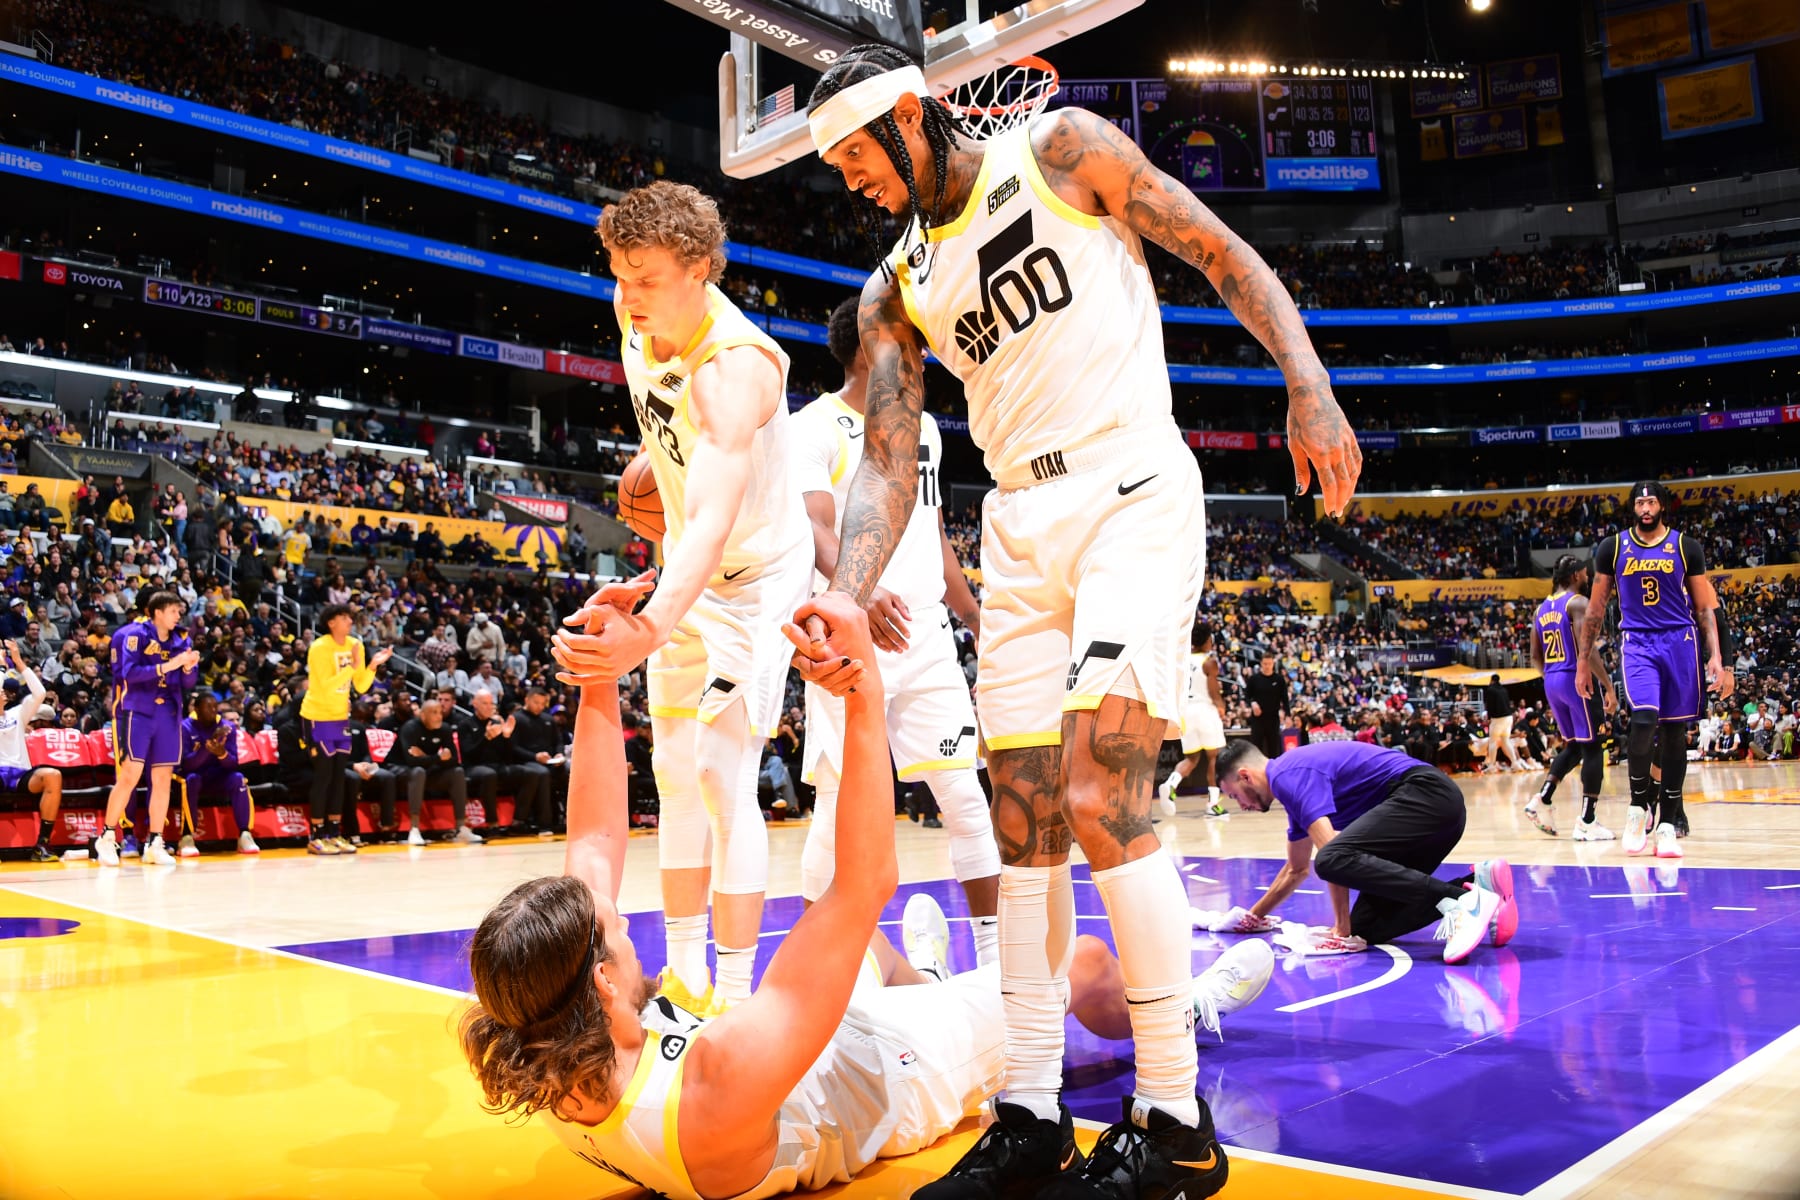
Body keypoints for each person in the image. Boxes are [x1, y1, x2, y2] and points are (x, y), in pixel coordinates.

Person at [800, 47, 1359, 1196]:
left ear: (911, 117)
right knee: (1026, 826)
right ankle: (1033, 1108)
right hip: (1019, 522)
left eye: (859, 153)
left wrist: (1308, 382)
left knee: (1104, 794)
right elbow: (888, 460)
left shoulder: (1059, 151)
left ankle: (1171, 1114)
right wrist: (841, 597)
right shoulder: (892, 288)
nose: (850, 180)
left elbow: (1218, 249)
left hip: (1130, 487)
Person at [462, 590, 1273, 1200]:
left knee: (864, 952)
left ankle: (919, 972)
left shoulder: (542, 1052)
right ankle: (1188, 1007)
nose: (619, 914)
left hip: (801, 1050)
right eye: (615, 927)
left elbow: (595, 845)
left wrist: (599, 682)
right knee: (1074, 966)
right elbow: (864, 883)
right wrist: (865, 697)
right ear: (602, 978)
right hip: (895, 1071)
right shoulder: (715, 1080)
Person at [551, 182, 814, 1012]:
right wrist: (652, 500)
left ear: (701, 268)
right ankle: (685, 975)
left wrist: (654, 619)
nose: (626, 296)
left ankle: (735, 999)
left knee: (718, 771)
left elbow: (708, 518)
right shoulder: (640, 322)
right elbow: (677, 477)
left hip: (754, 580)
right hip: (689, 565)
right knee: (670, 771)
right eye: (617, 275)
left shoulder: (734, 372)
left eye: (646, 278)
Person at [789, 297, 1001, 963]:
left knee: (965, 796)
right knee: (837, 810)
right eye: (910, 343)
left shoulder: (928, 432)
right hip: (848, 631)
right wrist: (860, 586)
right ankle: (837, 964)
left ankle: (997, 964)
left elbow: (934, 541)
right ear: (869, 347)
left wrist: (976, 618)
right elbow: (813, 526)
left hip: (926, 635)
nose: (924, 356)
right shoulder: (812, 427)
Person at [1214, 738, 1516, 964]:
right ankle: (1479, 886)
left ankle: (1463, 903)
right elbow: (1296, 869)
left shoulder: (1288, 774)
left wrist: (1340, 930)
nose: (1241, 806)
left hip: (1426, 795)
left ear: (1245, 776)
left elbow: (1331, 852)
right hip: (1432, 812)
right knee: (1367, 926)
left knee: (1332, 859)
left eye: (1234, 796)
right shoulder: (1290, 788)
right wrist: (1250, 919)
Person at [1577, 481, 1723, 858]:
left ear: (1662, 506)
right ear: (1633, 507)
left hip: (1680, 642)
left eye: (1651, 501)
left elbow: (1705, 608)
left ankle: (1668, 823)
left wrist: (1716, 657)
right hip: (1638, 642)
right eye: (1639, 501)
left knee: (1675, 734)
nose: (1645, 507)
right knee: (1643, 721)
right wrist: (1582, 663)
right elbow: (1595, 611)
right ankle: (1637, 807)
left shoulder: (1686, 546)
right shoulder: (1613, 546)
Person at [96, 591, 199, 867]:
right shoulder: (133, 636)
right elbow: (129, 674)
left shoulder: (182, 638)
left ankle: (155, 841)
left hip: (168, 712)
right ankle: (107, 837)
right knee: (130, 774)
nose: (179, 616)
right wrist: (169, 666)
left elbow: (188, 683)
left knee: (163, 778)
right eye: (174, 611)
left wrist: (189, 668)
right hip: (138, 710)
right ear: (158, 612)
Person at [1525, 555, 1619, 841]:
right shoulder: (1576, 603)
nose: (1588, 577)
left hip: (1553, 680)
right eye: (1585, 573)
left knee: (1576, 746)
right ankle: (1588, 821)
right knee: (1593, 747)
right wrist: (1609, 687)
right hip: (1575, 678)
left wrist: (1553, 680)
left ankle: (1542, 798)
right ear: (1577, 574)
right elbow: (1587, 649)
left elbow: (1534, 657)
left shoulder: (1540, 610)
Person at [300, 603, 393, 855]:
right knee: (324, 776)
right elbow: (324, 687)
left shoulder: (356, 645)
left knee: (339, 777)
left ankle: (333, 833)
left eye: (350, 617)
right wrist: (351, 666)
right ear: (331, 622)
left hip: (340, 718)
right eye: (344, 617)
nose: (350, 621)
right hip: (317, 716)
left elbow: (361, 686)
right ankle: (316, 835)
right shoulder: (320, 648)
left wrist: (372, 665)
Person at [3, 640, 64, 863]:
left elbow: (39, 692)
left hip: (20, 773)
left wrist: (17, 661)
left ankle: (41, 846)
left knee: (53, 776)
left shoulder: (17, 714)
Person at [1159, 623, 1227, 818]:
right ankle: (1213, 804)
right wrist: (1221, 706)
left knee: (1191, 758)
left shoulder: (1181, 660)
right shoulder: (1209, 662)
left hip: (1186, 712)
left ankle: (1171, 784)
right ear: (1207, 641)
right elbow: (1213, 691)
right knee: (1214, 757)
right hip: (1205, 710)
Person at [178, 691, 259, 856]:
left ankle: (245, 834)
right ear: (197, 709)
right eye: (208, 707)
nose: (213, 710)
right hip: (195, 775)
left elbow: (233, 764)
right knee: (190, 780)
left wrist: (222, 754)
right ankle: (186, 836)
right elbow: (186, 765)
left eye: (215, 707)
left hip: (219, 776)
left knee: (238, 779)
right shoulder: (184, 727)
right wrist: (206, 750)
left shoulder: (227, 727)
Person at [396, 697, 481, 845]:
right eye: (434, 713)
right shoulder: (410, 728)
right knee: (418, 771)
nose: (438, 716)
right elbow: (411, 761)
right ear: (423, 715)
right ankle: (414, 829)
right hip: (401, 771)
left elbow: (454, 759)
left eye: (440, 712)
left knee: (457, 772)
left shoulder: (444, 728)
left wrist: (427, 757)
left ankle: (461, 828)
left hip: (428, 770)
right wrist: (438, 758)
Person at [1244, 654, 1289, 762]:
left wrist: (1287, 715)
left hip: (1273, 718)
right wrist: (1252, 703)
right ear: (1261, 664)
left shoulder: (1279, 679)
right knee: (1256, 748)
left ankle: (1273, 775)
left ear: (1273, 664)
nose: (1267, 666)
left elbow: (1285, 699)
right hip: (1257, 719)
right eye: (1265, 664)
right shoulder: (1254, 679)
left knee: (1274, 749)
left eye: (1269, 664)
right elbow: (1246, 696)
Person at [1480, 674, 1524, 773]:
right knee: (1505, 740)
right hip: (1508, 717)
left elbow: (1490, 705)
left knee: (1493, 741)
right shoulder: (1504, 690)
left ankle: (1491, 766)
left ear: (1491, 680)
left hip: (1498, 719)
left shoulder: (1491, 689)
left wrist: (1489, 717)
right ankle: (1515, 763)